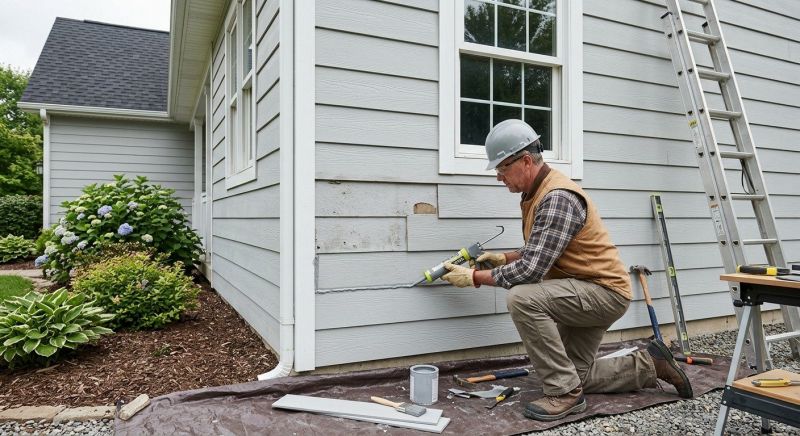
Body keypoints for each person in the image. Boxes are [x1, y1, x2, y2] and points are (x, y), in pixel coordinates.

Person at [441, 119, 693, 421]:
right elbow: (546, 250)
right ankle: (651, 365)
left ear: (524, 161)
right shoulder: (538, 192)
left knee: (522, 298)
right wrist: (504, 258)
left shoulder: (557, 197)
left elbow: (531, 271)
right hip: (584, 288)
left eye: (502, 168)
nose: (498, 177)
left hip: (603, 293)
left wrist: (474, 278)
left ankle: (564, 395)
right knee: (577, 374)